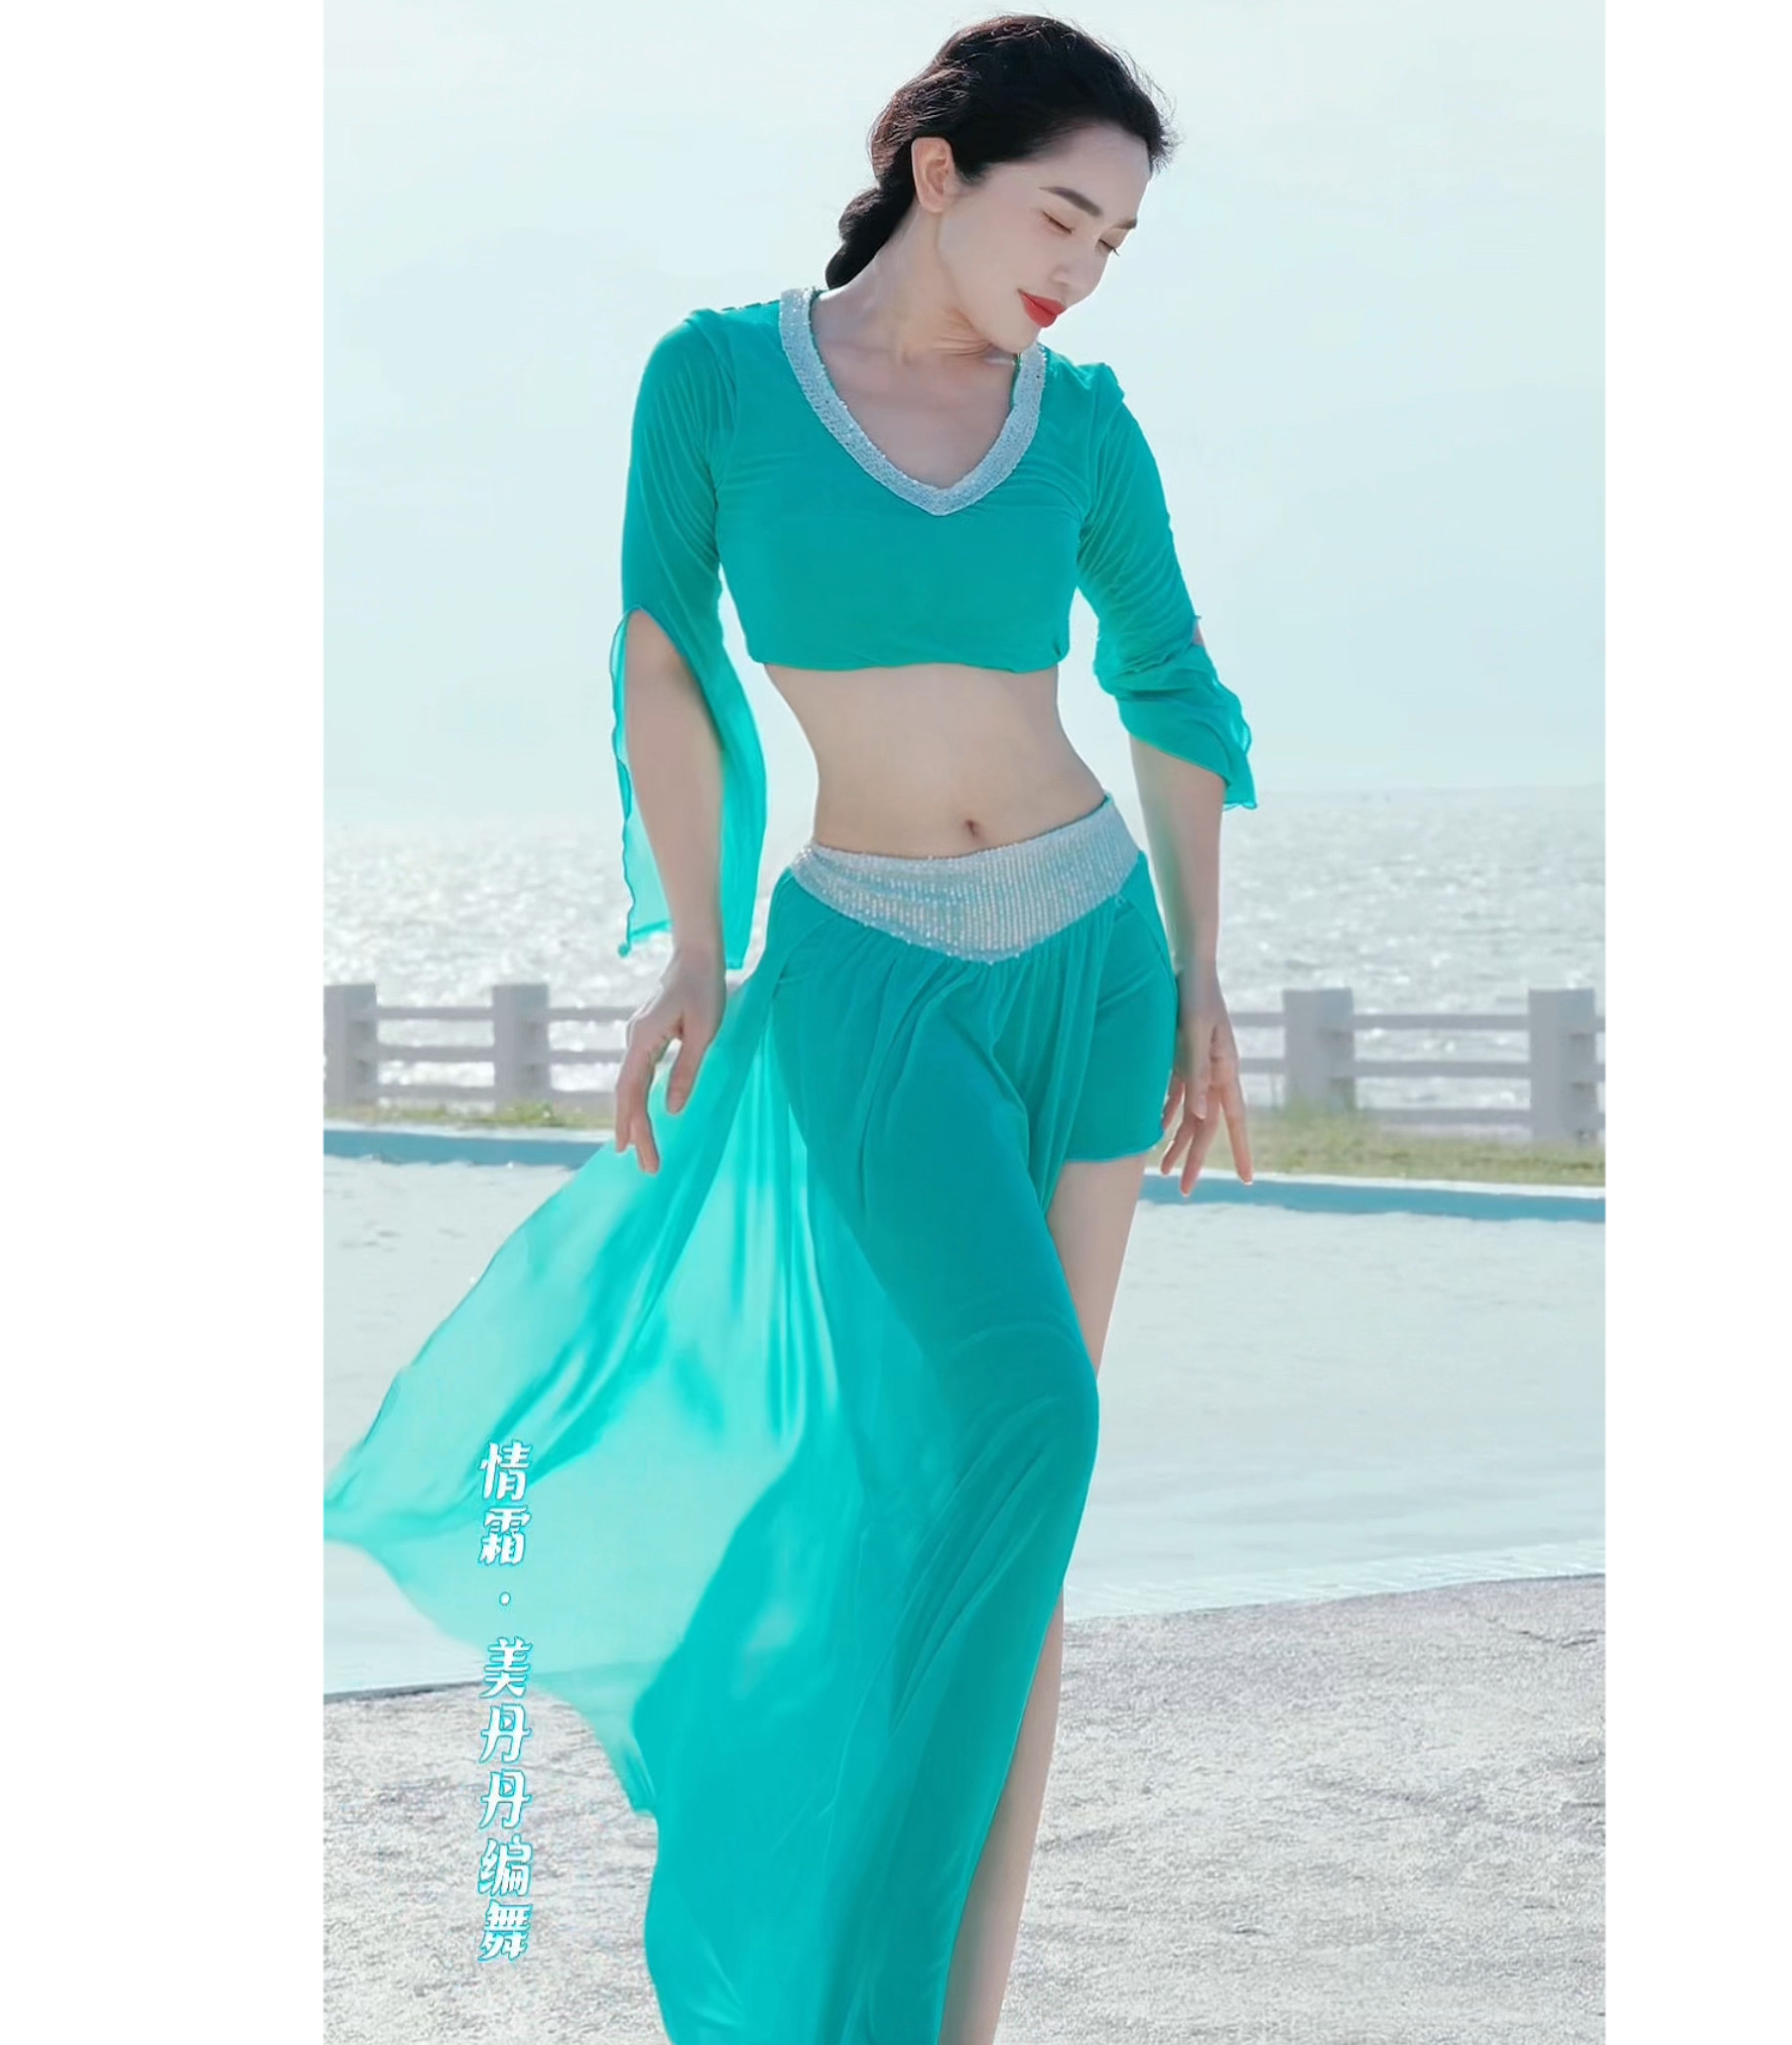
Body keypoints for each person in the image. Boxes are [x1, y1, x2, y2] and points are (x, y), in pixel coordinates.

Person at [322, 15, 1257, 2043]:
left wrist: (1199, 970)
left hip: (1091, 954)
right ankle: (845, 1977)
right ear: (936, 170)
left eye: (1113, 242)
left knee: (1018, 1532)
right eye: (1060, 216)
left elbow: (1170, 685)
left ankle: (950, 2017)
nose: (1083, 270)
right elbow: (664, 657)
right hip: (864, 975)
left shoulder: (1081, 423)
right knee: (1015, 1426)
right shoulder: (721, 380)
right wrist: (691, 935)